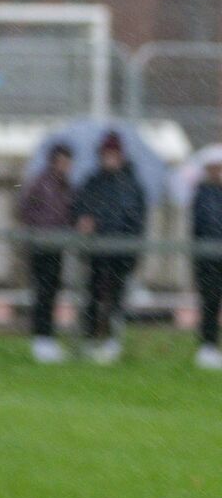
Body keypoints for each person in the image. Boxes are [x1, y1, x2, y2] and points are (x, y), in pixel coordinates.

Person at [73, 131, 147, 365]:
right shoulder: (93, 182)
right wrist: (84, 220)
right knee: (94, 296)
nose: (110, 159)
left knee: (115, 298)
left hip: (121, 253)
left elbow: (136, 220)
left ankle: (111, 339)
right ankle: (91, 338)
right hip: (96, 252)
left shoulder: (132, 185)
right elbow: (80, 208)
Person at [17, 143, 75, 363]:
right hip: (41, 246)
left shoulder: (66, 186)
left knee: (51, 291)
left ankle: (47, 337)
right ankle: (41, 338)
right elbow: (25, 208)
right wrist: (38, 230)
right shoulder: (41, 182)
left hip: (56, 246)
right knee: (42, 292)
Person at [190, 159, 222, 370]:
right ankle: (208, 346)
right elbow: (202, 225)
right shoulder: (202, 194)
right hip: (208, 260)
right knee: (210, 302)